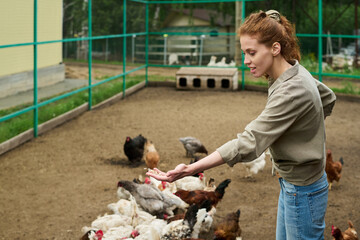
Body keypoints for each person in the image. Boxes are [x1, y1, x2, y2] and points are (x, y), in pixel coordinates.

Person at [147, 10, 336, 240]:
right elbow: (328, 97)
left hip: (303, 191)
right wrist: (304, 132)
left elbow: (249, 142)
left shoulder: (292, 90)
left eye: (252, 52)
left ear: (275, 48)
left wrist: (192, 168)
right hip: (296, 185)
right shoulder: (293, 72)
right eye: (244, 52)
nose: (246, 60)